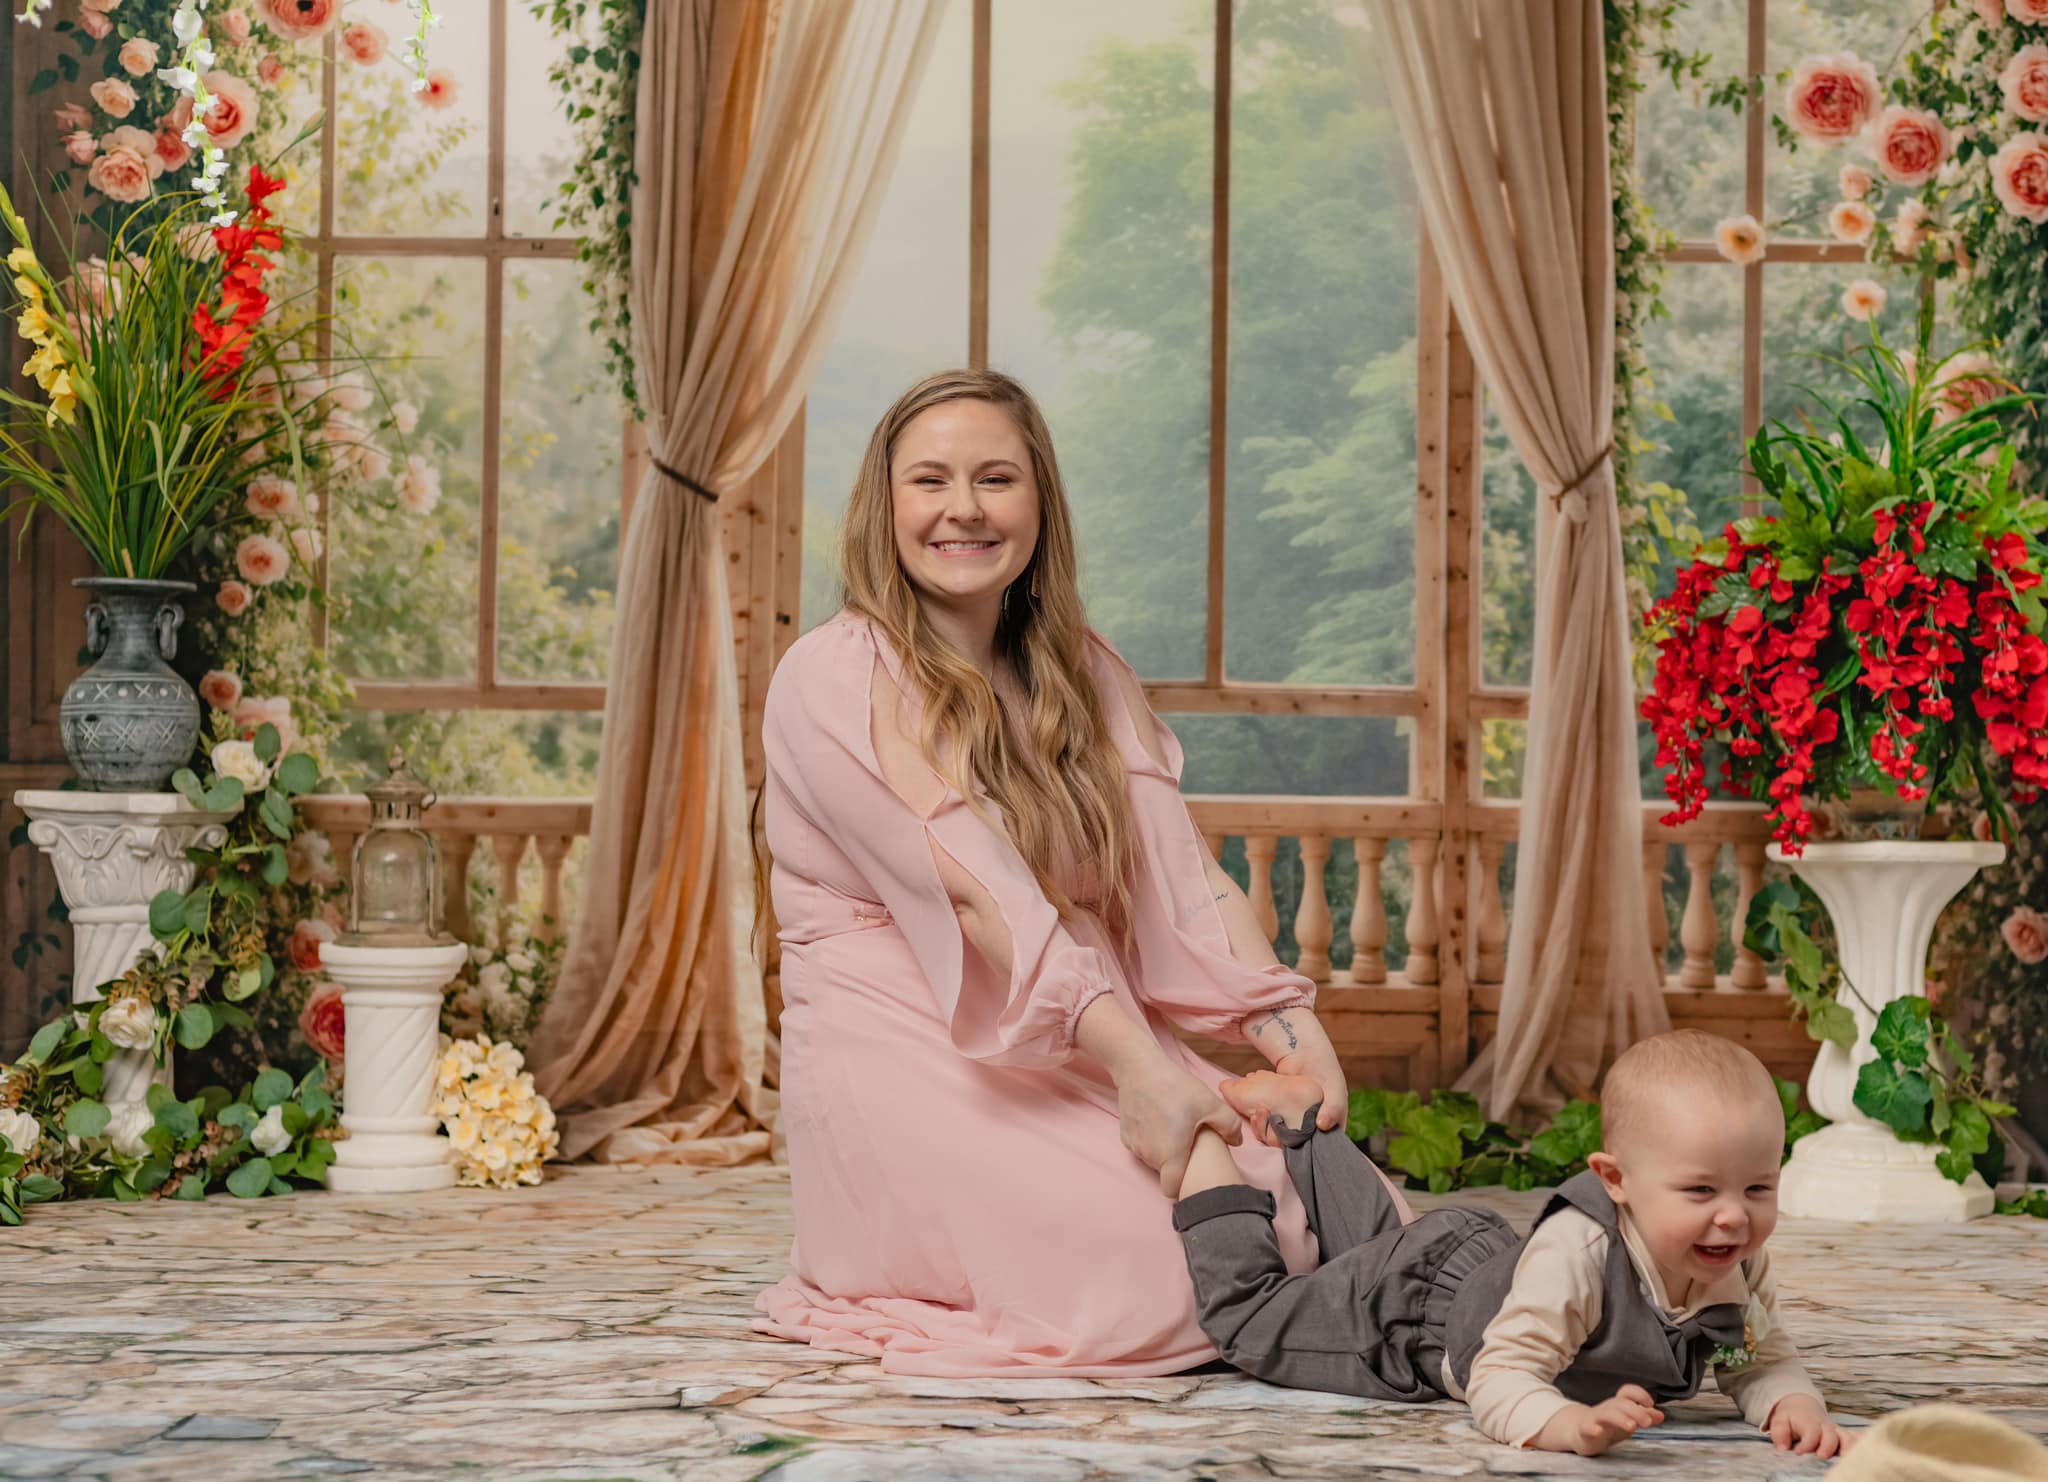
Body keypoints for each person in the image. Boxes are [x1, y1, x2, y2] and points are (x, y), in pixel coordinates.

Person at [751, 368, 1413, 1375]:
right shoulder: (832, 676)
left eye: (996, 479)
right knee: (1155, 1280)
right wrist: (1143, 1074)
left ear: (1039, 502)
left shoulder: (1083, 671)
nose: (964, 508)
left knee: (1348, 1216)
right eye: (929, 480)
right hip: (904, 1040)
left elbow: (1182, 878)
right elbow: (981, 896)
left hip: (1083, 1027)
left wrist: (1297, 1042)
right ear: (883, 507)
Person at [1171, 1030, 1852, 1458]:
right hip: (1423, 1325)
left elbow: (1755, 1359)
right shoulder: (1581, 1255)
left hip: (1477, 1263)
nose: (1734, 1218)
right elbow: (1500, 1378)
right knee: (1249, 1322)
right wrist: (1567, 1424)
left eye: (1758, 1189)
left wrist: (1792, 1404)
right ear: (1616, 1181)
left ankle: (1301, 1122)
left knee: (1377, 1250)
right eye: (1701, 1191)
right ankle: (1202, 1147)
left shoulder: (1737, 1264)